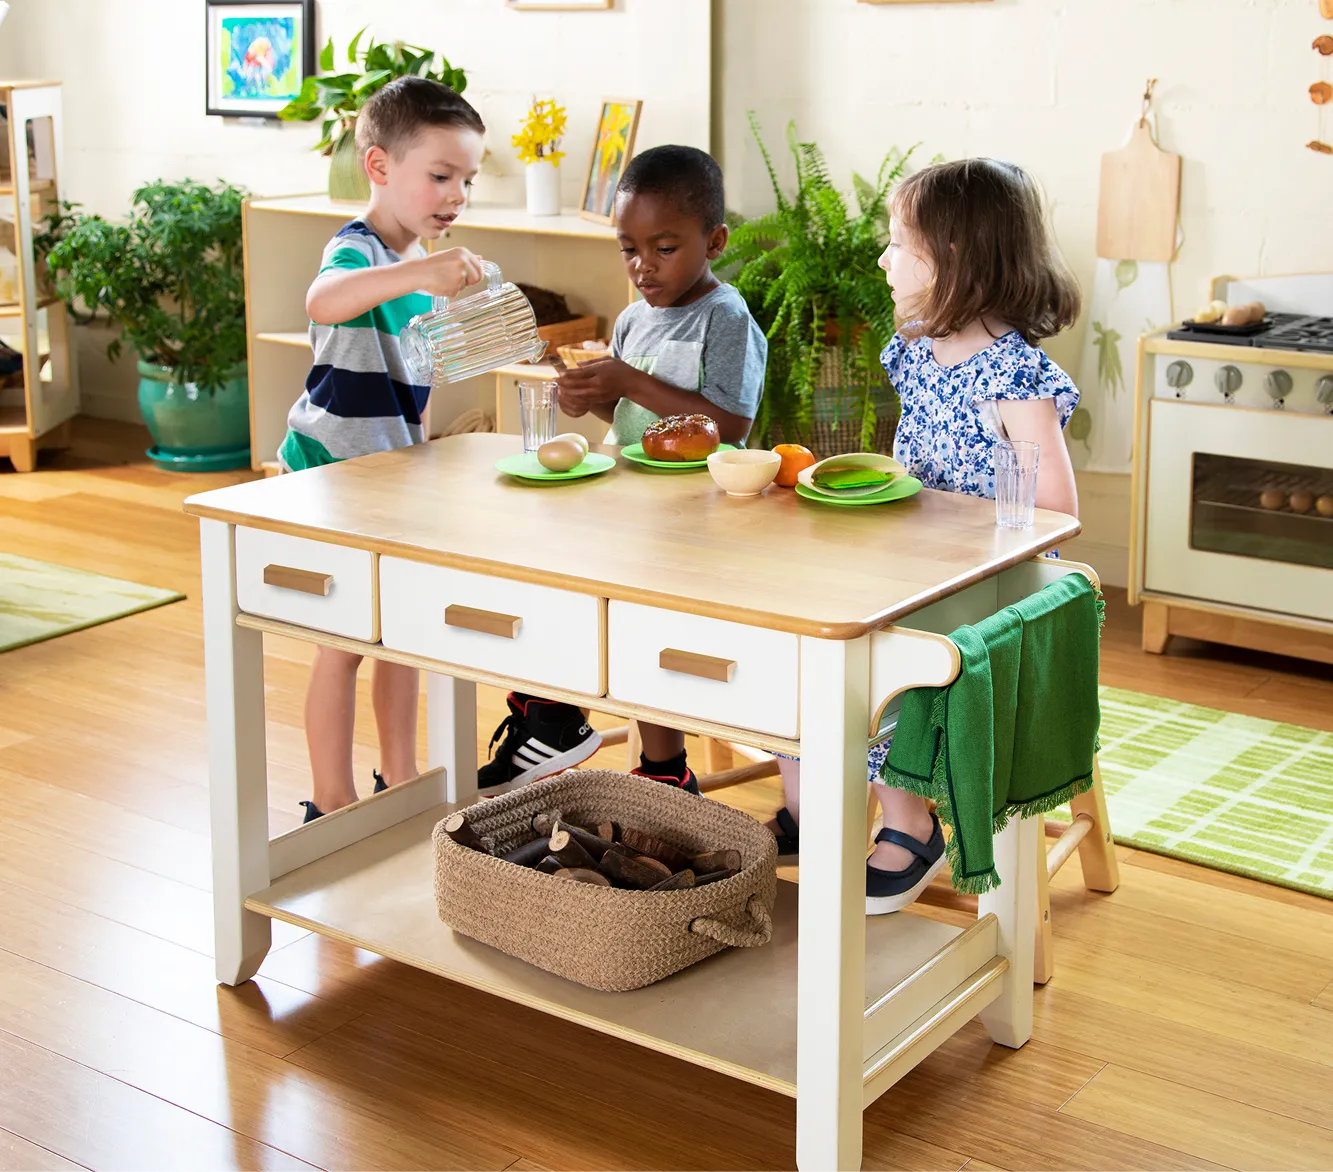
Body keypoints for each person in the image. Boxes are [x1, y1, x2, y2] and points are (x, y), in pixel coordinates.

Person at [773, 157, 1082, 913]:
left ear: (954, 261)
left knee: (875, 657)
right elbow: (917, 466)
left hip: (991, 585)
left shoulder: (1012, 374)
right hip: (915, 564)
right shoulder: (916, 350)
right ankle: (816, 802)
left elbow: (1057, 508)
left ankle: (910, 823)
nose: (881, 258)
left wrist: (953, 525)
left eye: (897, 243)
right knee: (802, 635)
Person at [478, 144, 768, 796]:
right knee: (547, 567)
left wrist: (628, 377)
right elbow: (629, 411)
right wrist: (593, 397)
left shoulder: (726, 317)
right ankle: (546, 712)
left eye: (664, 248)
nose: (643, 266)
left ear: (713, 240)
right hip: (633, 502)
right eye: (628, 248)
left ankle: (651, 763)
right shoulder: (635, 319)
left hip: (703, 514)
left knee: (646, 630)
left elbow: (729, 424)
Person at [279, 77, 488, 821]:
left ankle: (398, 781)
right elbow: (323, 301)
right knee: (340, 643)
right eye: (439, 175)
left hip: (392, 478)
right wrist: (420, 273)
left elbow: (420, 386)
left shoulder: (423, 273)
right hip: (333, 477)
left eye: (467, 177)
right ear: (378, 167)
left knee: (401, 636)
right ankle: (328, 805)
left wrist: (425, 458)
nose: (455, 193)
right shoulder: (357, 251)